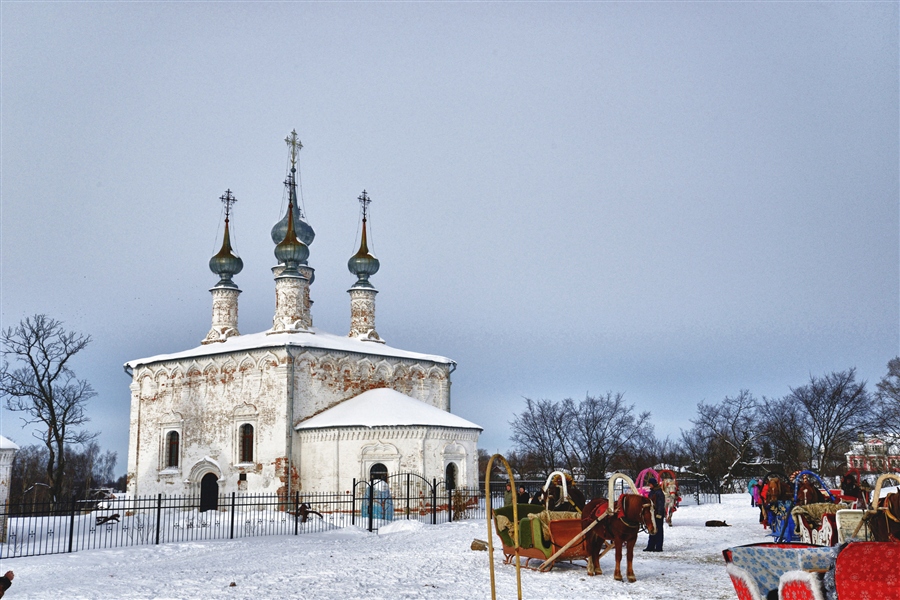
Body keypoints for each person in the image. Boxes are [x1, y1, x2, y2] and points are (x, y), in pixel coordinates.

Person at [644, 478, 665, 552]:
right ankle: (651, 546)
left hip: (657, 513)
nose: (649, 485)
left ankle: (658, 547)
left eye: (650, 484)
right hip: (653, 513)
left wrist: (659, 513)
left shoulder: (659, 492)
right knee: (652, 528)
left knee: (658, 529)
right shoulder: (652, 492)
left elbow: (660, 504)